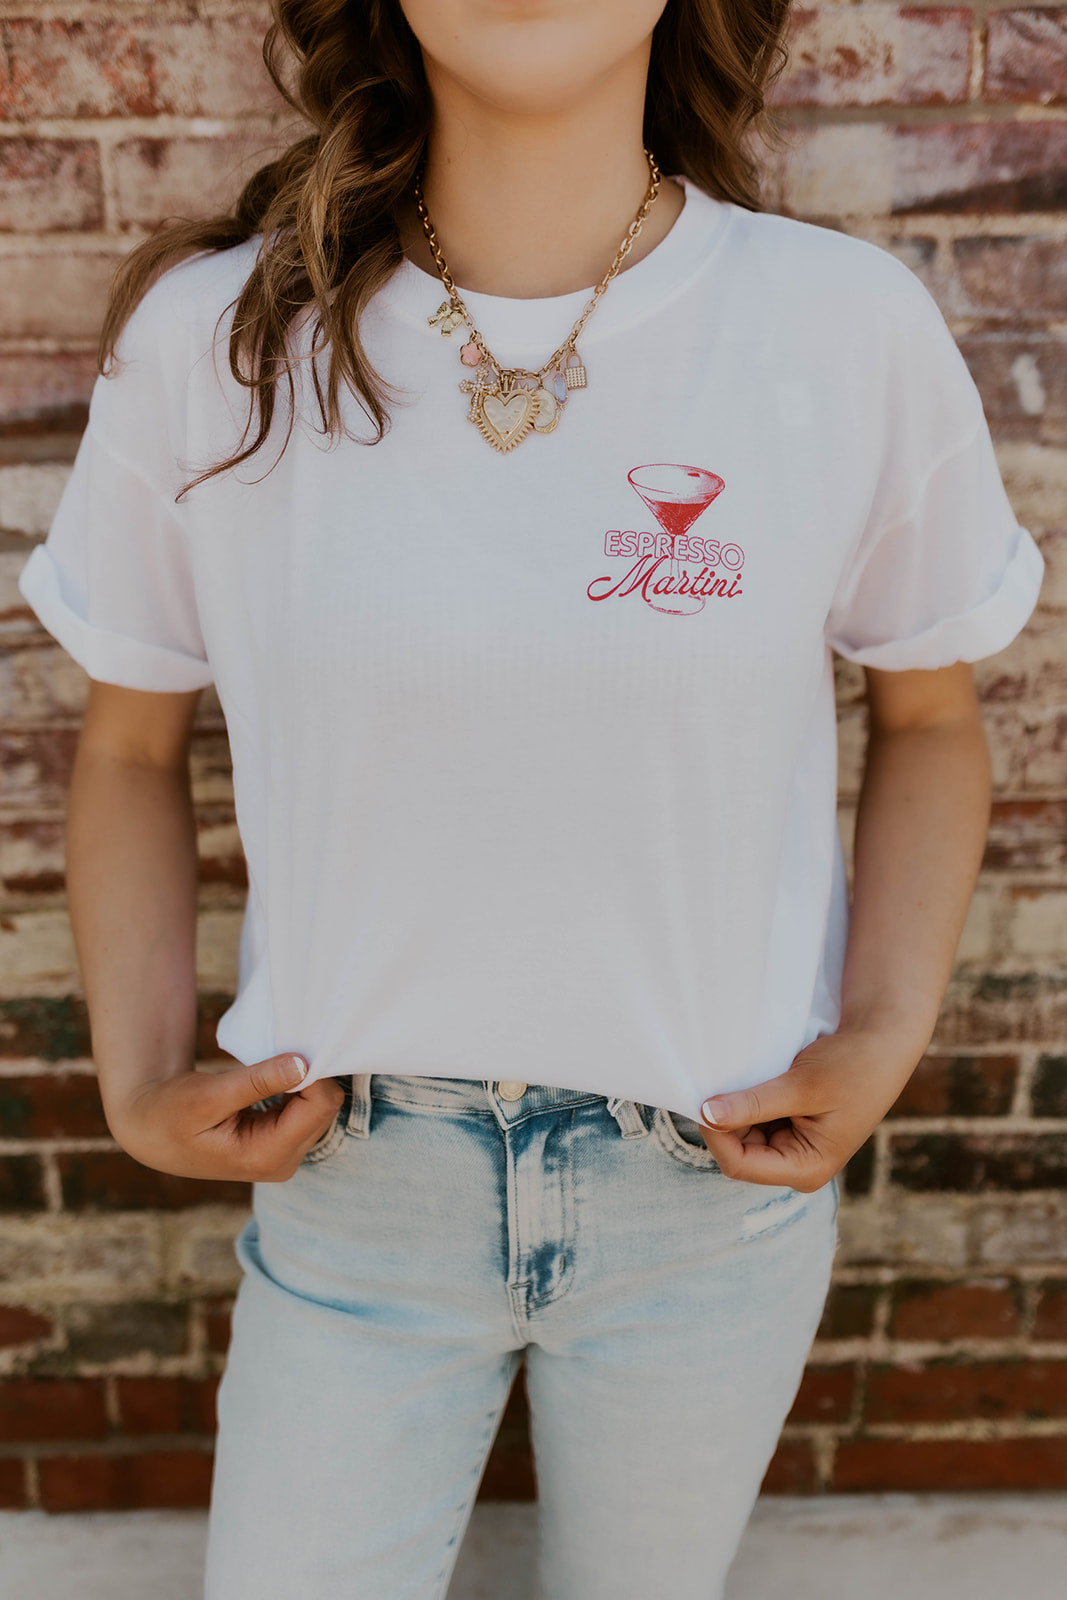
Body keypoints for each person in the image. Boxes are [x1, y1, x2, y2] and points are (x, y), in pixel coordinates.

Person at [17, 1, 1045, 1596]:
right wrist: (138, 1073)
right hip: (357, 1185)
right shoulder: (219, 342)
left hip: (710, 1190)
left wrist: (884, 1032)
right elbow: (133, 745)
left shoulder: (839, 328)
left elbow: (928, 710)